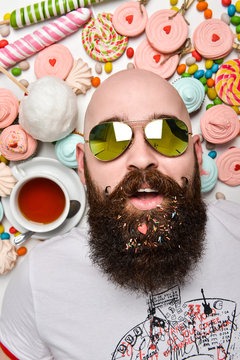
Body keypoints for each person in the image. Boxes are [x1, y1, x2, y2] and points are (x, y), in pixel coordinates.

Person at [0, 69, 240, 360]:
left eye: (167, 134)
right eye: (109, 140)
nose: (141, 159)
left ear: (197, 154)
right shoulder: (38, 281)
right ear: (82, 164)